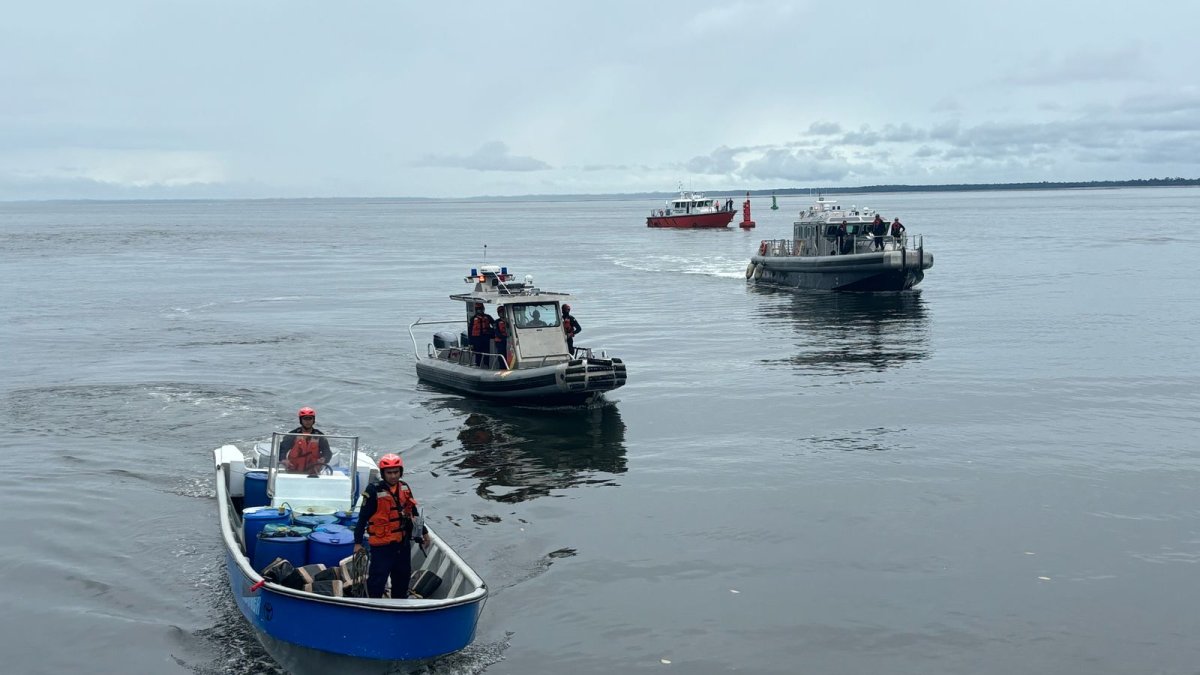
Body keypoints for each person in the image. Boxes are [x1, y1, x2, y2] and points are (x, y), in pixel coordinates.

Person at [353, 453, 426, 599]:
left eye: (396, 472)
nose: (393, 476)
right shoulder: (373, 491)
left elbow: (414, 512)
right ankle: (373, 605)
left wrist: (424, 532)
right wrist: (358, 543)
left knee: (402, 577)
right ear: (383, 474)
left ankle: (399, 604)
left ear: (400, 472)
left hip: (402, 543)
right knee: (377, 579)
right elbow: (362, 519)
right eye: (389, 473)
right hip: (382, 546)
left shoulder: (404, 488)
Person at [278, 407, 332, 474]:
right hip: (293, 471)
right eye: (305, 419)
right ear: (301, 420)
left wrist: (324, 458)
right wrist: (283, 460)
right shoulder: (293, 434)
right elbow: (282, 449)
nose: (307, 421)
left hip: (313, 473)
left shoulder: (319, 436)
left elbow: (327, 451)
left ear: (313, 420)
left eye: (310, 418)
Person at [467, 302, 494, 367]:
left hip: (486, 338)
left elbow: (494, 325)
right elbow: (470, 331)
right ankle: (478, 365)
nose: (480, 310)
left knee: (486, 353)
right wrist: (470, 343)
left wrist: (491, 332)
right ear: (476, 310)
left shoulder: (488, 317)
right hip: (476, 339)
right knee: (478, 353)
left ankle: (486, 365)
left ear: (483, 309)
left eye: (481, 308)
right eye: (478, 309)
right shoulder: (473, 319)